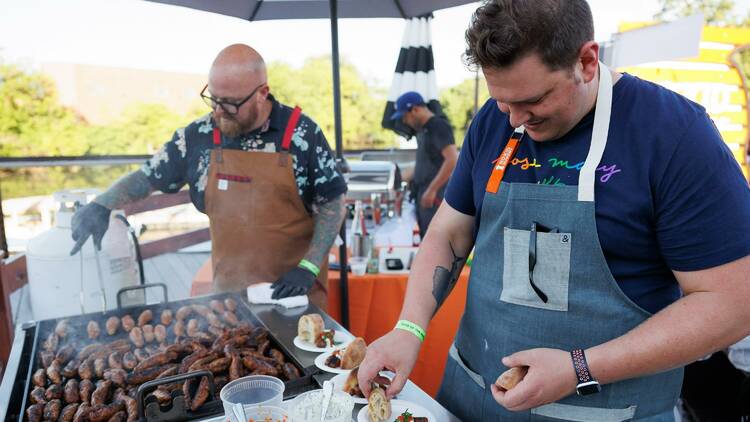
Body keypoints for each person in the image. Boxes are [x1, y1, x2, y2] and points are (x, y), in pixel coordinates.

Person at [358, 1, 750, 420]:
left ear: (586, 61)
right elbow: (448, 232)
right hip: (473, 398)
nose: (513, 120)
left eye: (532, 100)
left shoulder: (673, 135)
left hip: (607, 410)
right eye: (502, 101)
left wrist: (580, 367)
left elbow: (735, 301)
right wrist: (409, 328)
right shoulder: (495, 121)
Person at [69, 44, 347, 307]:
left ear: (263, 92)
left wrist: (308, 267)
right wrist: (103, 203)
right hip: (231, 299)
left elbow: (332, 202)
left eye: (230, 103)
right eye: (213, 99)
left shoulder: (302, 134)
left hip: (295, 293)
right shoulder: (197, 137)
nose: (217, 111)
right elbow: (148, 176)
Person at [390, 92, 458, 236]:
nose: (404, 121)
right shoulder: (422, 131)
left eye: (405, 116)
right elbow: (426, 162)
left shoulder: (438, 126)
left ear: (415, 109)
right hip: (424, 193)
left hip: (436, 195)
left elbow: (452, 159)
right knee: (425, 235)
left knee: (436, 238)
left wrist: (432, 190)